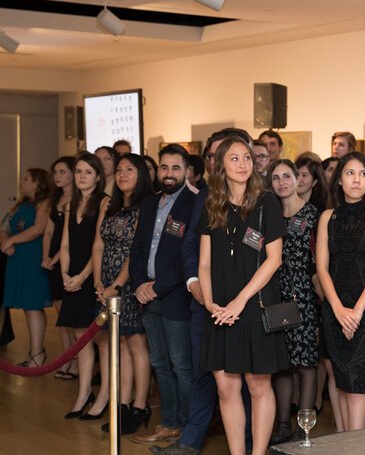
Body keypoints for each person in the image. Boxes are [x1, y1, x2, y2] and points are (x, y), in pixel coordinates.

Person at [153, 127, 254, 455]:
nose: (216, 161)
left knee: (248, 380)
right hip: (205, 303)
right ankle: (190, 442)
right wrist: (195, 283)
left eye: (233, 155)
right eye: (214, 156)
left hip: (244, 303)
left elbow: (265, 254)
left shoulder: (258, 198)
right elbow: (191, 245)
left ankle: (251, 444)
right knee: (202, 372)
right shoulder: (206, 197)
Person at [198, 135, 288, 455]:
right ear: (220, 165)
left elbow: (274, 260)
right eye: (234, 158)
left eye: (247, 158)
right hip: (220, 307)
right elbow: (204, 262)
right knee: (226, 388)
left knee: (258, 385)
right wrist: (210, 301)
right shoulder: (212, 204)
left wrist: (240, 301)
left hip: (254, 303)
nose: (242, 164)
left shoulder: (266, 202)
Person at [315, 152, 365, 431]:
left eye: (362, 174)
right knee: (340, 378)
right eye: (349, 173)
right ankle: (346, 441)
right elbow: (321, 268)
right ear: (339, 180)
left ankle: (356, 445)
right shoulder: (327, 217)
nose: (356, 179)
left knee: (357, 379)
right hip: (334, 309)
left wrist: (356, 312)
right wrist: (338, 310)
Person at [130, 145, 197, 442]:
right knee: (159, 363)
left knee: (181, 364)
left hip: (176, 296)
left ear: (187, 171)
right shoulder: (149, 203)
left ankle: (189, 426)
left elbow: (188, 256)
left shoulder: (195, 203)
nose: (169, 173)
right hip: (146, 295)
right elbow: (137, 249)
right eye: (164, 167)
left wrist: (157, 288)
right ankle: (169, 421)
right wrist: (139, 285)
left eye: (175, 168)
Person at [89, 153, 153, 429]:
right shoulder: (109, 204)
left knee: (136, 343)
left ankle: (140, 406)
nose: (122, 175)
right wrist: (98, 282)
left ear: (141, 175)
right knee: (121, 343)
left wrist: (116, 285)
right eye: (119, 170)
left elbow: (135, 251)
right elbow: (98, 245)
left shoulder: (146, 206)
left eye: (129, 169)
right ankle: (123, 404)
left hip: (129, 282)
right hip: (106, 284)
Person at [267, 159, 320, 444]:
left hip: (305, 296)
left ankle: (304, 425)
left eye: (287, 176)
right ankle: (282, 424)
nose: (282, 182)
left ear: (298, 179)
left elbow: (319, 260)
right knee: (282, 364)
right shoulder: (268, 215)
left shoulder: (313, 215)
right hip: (276, 296)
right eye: (275, 178)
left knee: (306, 363)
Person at [58, 152, 106, 419]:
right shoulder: (70, 204)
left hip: (93, 277)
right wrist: (65, 273)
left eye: (88, 172)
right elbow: (65, 243)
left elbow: (99, 246)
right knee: (80, 337)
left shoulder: (104, 202)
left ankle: (104, 394)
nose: (82, 176)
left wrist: (83, 276)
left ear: (98, 177)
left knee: (100, 339)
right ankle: (83, 393)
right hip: (73, 277)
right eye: (78, 171)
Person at [1, 168, 52, 367]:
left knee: (33, 305)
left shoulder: (45, 203)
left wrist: (12, 240)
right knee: (26, 307)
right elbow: (4, 227)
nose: (22, 182)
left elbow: (38, 229)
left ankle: (37, 353)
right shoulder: (20, 204)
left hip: (33, 258)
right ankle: (34, 352)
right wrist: (6, 242)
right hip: (17, 258)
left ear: (37, 183)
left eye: (26, 179)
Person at [42, 156, 77, 379]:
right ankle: (66, 360)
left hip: (68, 260)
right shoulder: (55, 199)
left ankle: (76, 362)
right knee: (60, 317)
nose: (57, 176)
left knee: (69, 317)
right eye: (55, 172)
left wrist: (56, 258)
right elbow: (48, 231)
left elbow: (71, 236)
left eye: (62, 172)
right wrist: (45, 256)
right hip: (52, 262)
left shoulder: (78, 199)